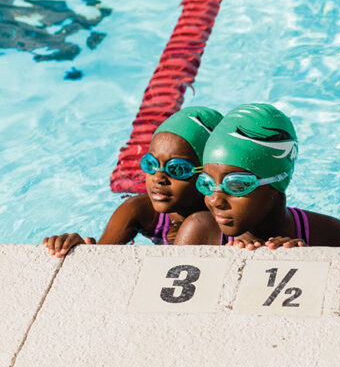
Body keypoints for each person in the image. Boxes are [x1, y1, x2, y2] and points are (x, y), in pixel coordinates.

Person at [43, 106, 223, 257]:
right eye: (150, 164)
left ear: (208, 175)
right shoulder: (140, 211)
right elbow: (100, 257)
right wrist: (81, 250)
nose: (159, 178)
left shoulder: (228, 219)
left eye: (177, 169)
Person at [174, 103, 340, 248]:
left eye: (236, 185)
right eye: (207, 184)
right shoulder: (200, 232)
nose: (214, 200)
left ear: (277, 180)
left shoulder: (328, 235)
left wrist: (302, 262)